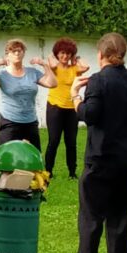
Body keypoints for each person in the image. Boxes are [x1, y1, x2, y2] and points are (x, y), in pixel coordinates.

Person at [50, 33, 127, 253]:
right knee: (120, 216)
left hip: (101, 158)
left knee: (91, 217)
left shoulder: (98, 80)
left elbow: (90, 115)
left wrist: (76, 95)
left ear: (101, 55)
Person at [0, 39, 56, 150]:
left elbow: (52, 84)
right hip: (9, 122)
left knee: (33, 159)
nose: (17, 53)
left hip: (30, 122)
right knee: (5, 158)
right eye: (13, 51)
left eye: (19, 50)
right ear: (7, 55)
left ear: (23, 53)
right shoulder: (2, 75)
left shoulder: (32, 72)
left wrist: (44, 64)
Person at [44, 37, 90, 179]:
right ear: (58, 53)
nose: (65, 56)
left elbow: (86, 67)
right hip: (55, 107)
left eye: (68, 53)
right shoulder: (54, 67)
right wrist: (54, 55)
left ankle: (72, 172)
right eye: (62, 53)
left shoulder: (75, 69)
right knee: (54, 141)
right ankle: (48, 171)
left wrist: (76, 57)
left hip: (71, 109)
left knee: (71, 142)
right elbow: (50, 61)